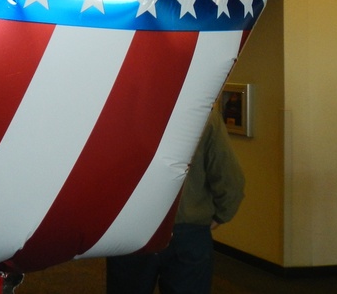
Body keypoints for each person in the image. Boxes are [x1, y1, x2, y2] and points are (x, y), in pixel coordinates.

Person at [105, 109, 244, 294]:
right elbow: (229, 178)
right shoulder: (203, 112)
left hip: (129, 230)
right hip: (187, 231)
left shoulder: (119, 110)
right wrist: (221, 215)